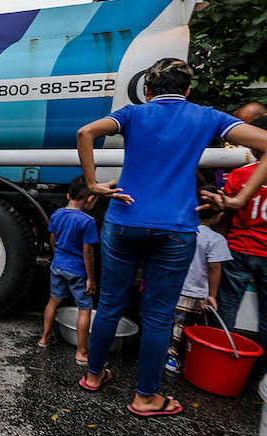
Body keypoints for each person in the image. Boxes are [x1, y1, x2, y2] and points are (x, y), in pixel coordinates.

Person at [76, 58, 267, 417]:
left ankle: (94, 375)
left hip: (123, 222)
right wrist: (239, 199)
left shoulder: (133, 114)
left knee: (110, 305)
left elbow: (85, 133)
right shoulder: (208, 116)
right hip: (176, 229)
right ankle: (145, 397)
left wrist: (92, 184)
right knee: (159, 315)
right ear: (188, 90)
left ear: (147, 90)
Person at [215, 116, 267, 369]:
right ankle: (262, 367)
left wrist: (219, 243)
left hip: (240, 247)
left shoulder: (239, 175)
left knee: (227, 304)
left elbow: (226, 214)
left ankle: (224, 357)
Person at [165, 187, 232, 374]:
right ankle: (173, 359)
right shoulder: (216, 239)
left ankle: (160, 352)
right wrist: (212, 295)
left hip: (172, 286)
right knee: (182, 329)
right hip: (194, 291)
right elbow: (214, 268)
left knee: (168, 323)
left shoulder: (179, 229)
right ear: (218, 216)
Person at [39, 175, 99, 366]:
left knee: (53, 300)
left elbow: (52, 239)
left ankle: (45, 339)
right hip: (77, 271)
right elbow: (87, 252)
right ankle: (82, 352)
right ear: (89, 199)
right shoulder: (87, 222)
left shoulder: (57, 214)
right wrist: (91, 279)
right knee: (85, 308)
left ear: (68, 195)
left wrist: (55, 256)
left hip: (58, 265)